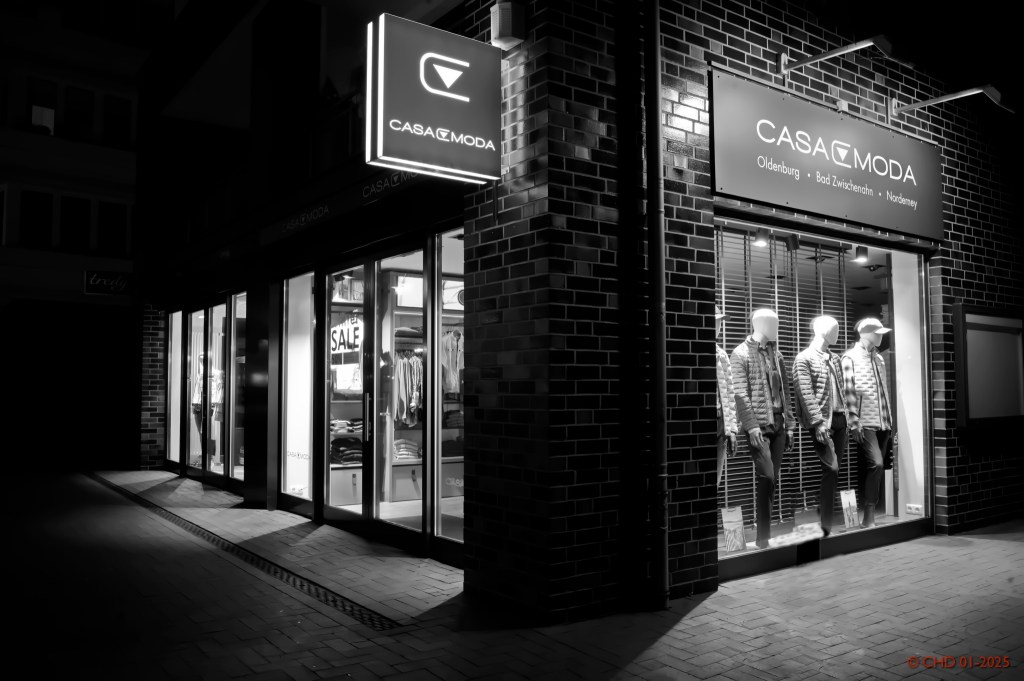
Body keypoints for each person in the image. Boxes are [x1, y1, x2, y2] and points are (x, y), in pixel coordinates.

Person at [730, 308, 795, 548]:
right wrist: (751, 426)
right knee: (767, 475)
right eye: (773, 323)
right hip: (759, 426)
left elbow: (785, 392)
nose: (777, 327)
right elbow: (740, 393)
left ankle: (764, 538)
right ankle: (763, 536)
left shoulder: (776, 354)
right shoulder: (740, 353)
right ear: (760, 324)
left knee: (772, 478)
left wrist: (790, 425)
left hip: (778, 423)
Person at [793, 316, 848, 536]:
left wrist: (849, 416)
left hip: (840, 419)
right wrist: (817, 423)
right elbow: (805, 392)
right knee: (831, 468)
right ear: (820, 330)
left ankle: (826, 523)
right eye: (833, 328)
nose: (837, 332)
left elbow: (841, 388)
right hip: (822, 421)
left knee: (833, 471)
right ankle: (825, 523)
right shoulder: (804, 358)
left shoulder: (835, 358)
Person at [842, 317, 893, 528]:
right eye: (877, 333)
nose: (880, 337)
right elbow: (848, 391)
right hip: (865, 423)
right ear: (866, 334)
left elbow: (883, 390)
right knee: (876, 463)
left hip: (883, 422)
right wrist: (854, 420)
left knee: (877, 467)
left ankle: (867, 516)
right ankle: (868, 514)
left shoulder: (879, 359)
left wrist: (889, 419)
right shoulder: (849, 358)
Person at [715, 306, 737, 487]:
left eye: (720, 322)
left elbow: (729, 393)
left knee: (716, 479)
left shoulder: (721, 355)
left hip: (720, 423)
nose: (719, 326)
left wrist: (732, 430)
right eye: (715, 321)